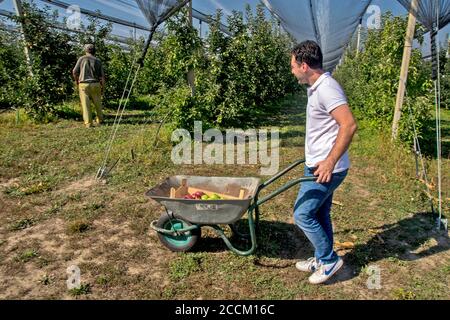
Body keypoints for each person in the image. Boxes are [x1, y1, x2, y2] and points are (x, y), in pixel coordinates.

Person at [290, 40, 357, 284]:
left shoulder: (327, 88)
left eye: (293, 66)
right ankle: (321, 257)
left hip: (327, 168)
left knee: (302, 214)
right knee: (319, 213)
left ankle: (329, 260)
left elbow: (348, 125)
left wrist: (329, 162)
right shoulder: (318, 87)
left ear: (304, 65)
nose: (292, 70)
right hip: (319, 164)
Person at [73, 44, 105, 128]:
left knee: (85, 104)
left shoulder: (81, 59)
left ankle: (88, 123)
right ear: (94, 51)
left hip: (84, 84)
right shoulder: (98, 60)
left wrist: (77, 81)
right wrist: (103, 87)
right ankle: (100, 119)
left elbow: (74, 71)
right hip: (96, 83)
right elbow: (102, 77)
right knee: (98, 103)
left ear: (85, 50)